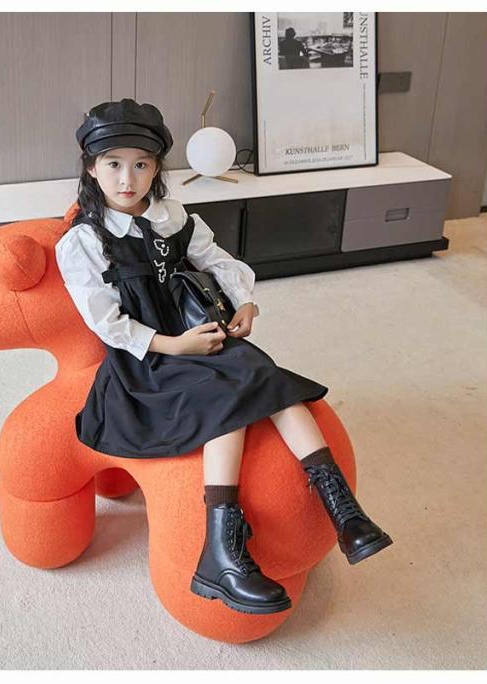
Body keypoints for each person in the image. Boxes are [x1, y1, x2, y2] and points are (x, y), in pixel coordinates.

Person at [55, 98, 393, 615]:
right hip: (147, 361)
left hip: (198, 335)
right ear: (91, 168)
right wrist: (174, 345)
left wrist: (245, 300)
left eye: (142, 164)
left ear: (157, 168)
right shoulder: (84, 239)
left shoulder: (172, 217)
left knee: (268, 376)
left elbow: (217, 259)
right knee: (223, 397)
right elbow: (106, 322)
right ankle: (221, 555)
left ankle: (344, 513)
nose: (128, 179)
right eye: (114, 164)